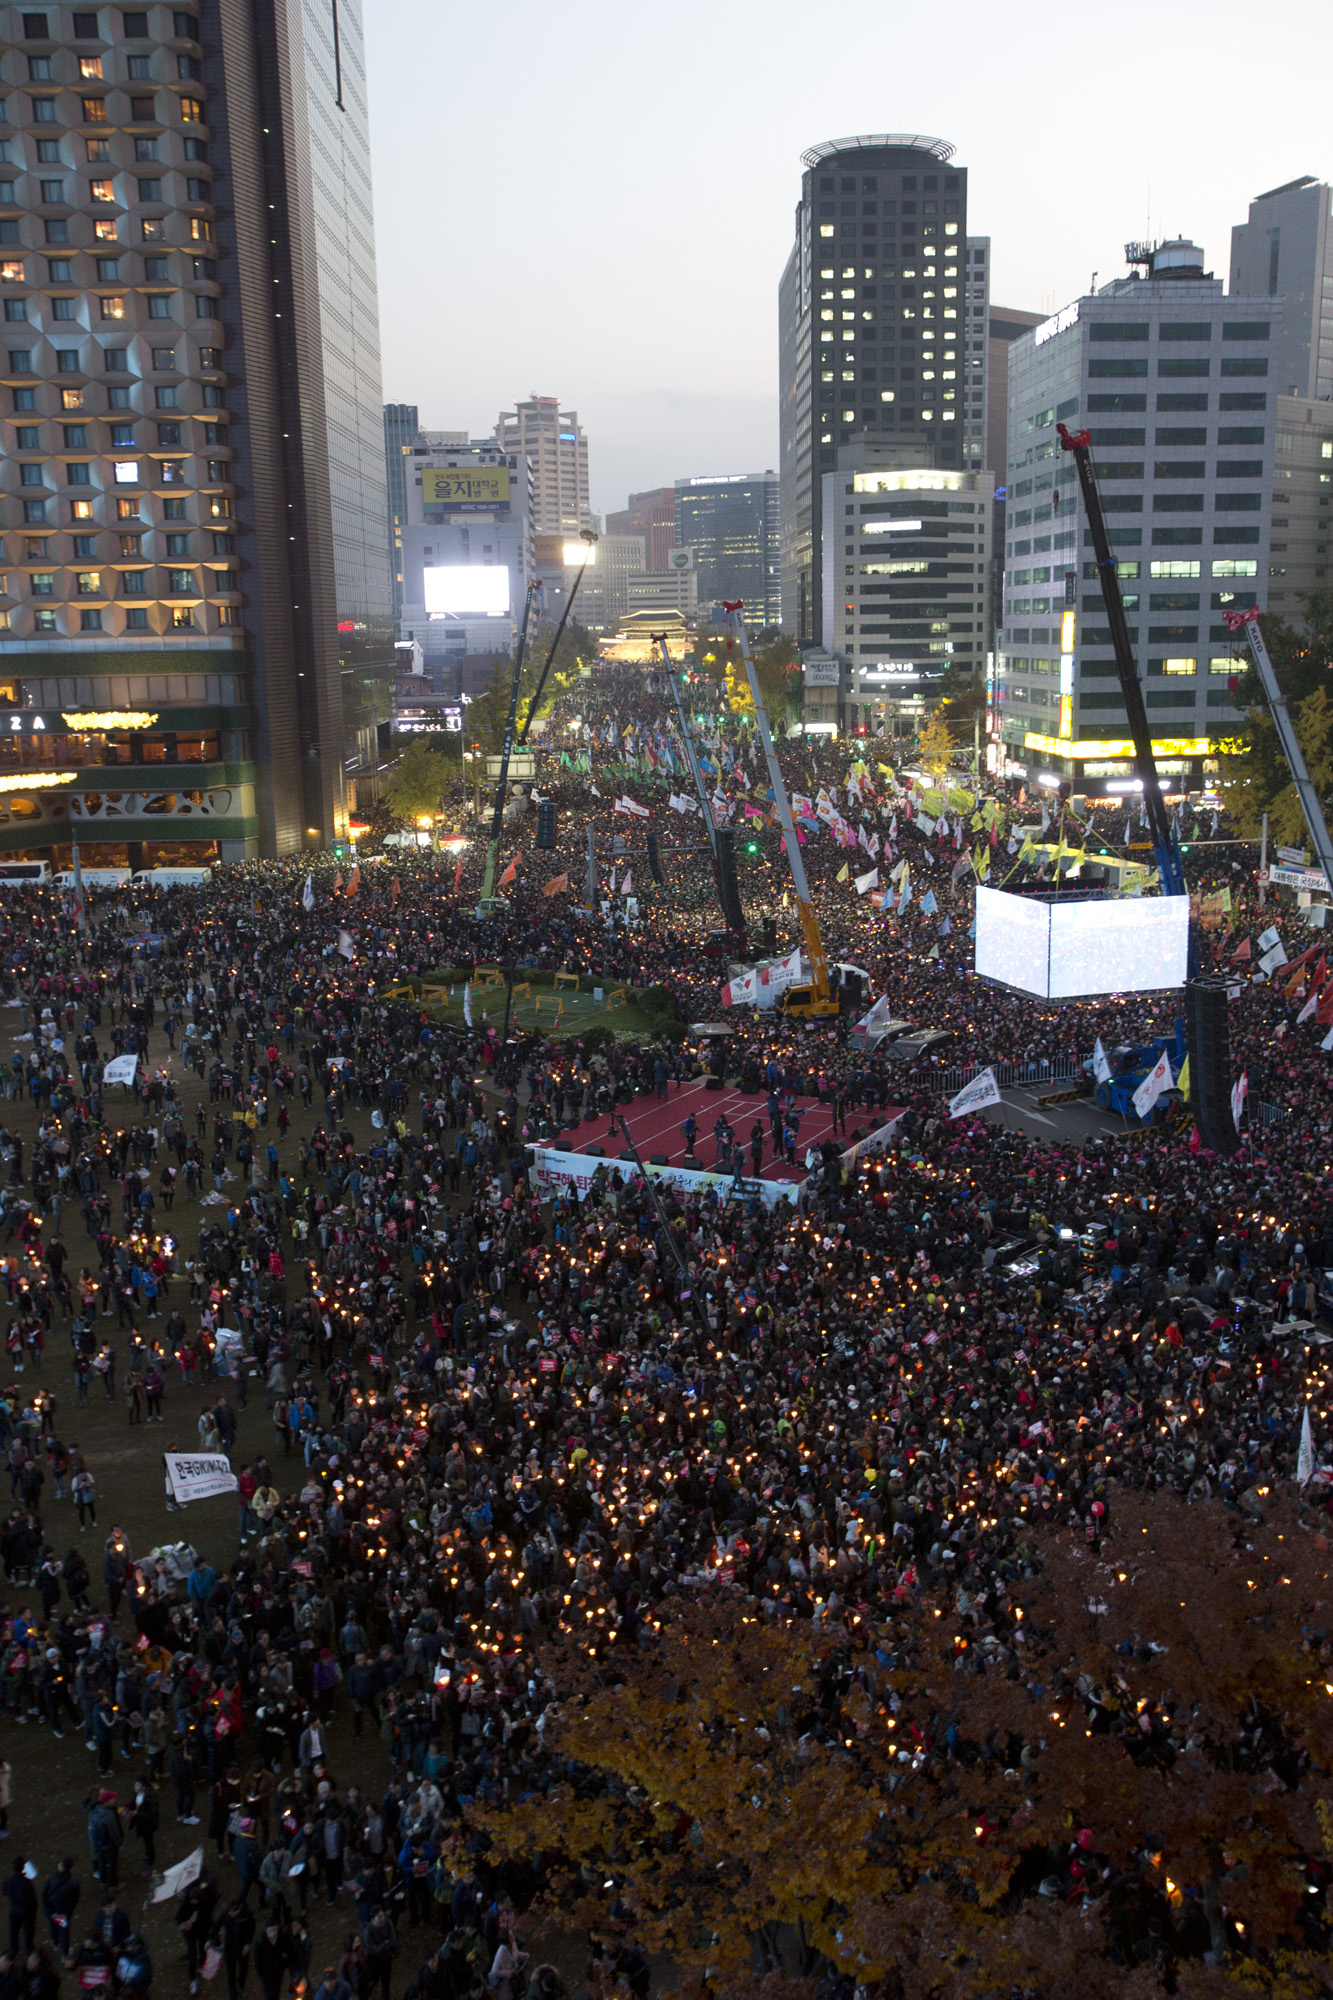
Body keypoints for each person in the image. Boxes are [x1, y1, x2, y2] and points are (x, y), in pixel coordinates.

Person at [39, 1858, 79, 1956]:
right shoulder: (74, 1883)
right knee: (64, 1932)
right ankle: (64, 1954)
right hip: (64, 1912)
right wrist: (69, 1912)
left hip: (52, 1911)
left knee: (53, 1926)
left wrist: (51, 1912)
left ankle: (55, 1943)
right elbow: (75, 1899)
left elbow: (44, 1896)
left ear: (59, 1866)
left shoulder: (50, 1880)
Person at [2, 1855, 36, 1957]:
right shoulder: (27, 1882)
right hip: (26, 1911)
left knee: (14, 1931)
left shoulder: (7, 1880)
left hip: (14, 1910)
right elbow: (33, 1900)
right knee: (28, 1931)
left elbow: (4, 1892)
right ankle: (29, 1949)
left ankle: (14, 1948)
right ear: (23, 1867)